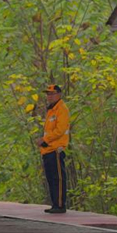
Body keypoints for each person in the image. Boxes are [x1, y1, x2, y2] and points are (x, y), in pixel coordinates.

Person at [35, 84, 70, 213]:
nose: (49, 96)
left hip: (56, 149)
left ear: (59, 94)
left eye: (52, 94)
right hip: (48, 150)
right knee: (50, 178)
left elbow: (60, 130)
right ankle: (55, 204)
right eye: (48, 94)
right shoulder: (51, 110)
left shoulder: (62, 109)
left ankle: (60, 205)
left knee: (58, 178)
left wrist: (45, 139)